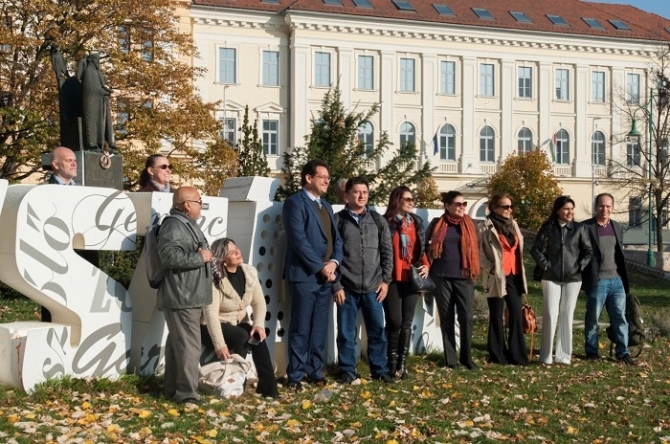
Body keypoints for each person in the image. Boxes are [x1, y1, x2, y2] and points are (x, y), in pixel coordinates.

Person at [282, 159, 343, 392]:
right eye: (322, 177)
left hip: (326, 276)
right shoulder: (294, 204)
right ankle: (295, 375)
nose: (327, 180)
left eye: (328, 177)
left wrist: (334, 263)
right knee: (301, 327)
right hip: (305, 275)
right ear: (309, 178)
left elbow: (337, 241)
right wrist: (322, 267)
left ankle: (315, 371)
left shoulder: (326, 206)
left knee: (319, 327)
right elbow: (299, 241)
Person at [333, 177, 394, 384]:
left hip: (373, 288)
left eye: (365, 193)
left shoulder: (378, 220)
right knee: (345, 333)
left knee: (377, 331)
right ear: (347, 195)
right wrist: (336, 285)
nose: (361, 196)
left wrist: (386, 281)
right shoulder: (337, 220)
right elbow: (330, 254)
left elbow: (387, 253)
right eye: (357, 192)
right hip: (346, 288)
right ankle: (348, 370)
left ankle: (380, 369)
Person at [201, 238, 279, 397]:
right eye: (232, 252)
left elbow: (259, 303)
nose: (238, 252)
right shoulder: (214, 280)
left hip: (237, 323)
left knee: (256, 335)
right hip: (209, 327)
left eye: (237, 249)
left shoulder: (249, 272)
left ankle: (268, 387)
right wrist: (220, 345)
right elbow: (210, 315)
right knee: (242, 336)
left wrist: (258, 324)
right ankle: (236, 385)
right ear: (223, 260)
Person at [157, 186, 213, 404]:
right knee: (190, 347)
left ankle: (171, 390)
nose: (202, 205)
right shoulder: (174, 225)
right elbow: (169, 257)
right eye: (199, 201)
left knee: (177, 346)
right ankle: (188, 395)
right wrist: (201, 258)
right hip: (183, 296)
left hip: (187, 294)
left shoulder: (184, 224)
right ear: (187, 204)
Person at [532, 195, 592, 365]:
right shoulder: (548, 227)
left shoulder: (580, 229)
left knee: (567, 314)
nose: (570, 212)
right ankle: (546, 356)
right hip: (550, 277)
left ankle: (564, 355)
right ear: (558, 210)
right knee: (551, 314)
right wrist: (546, 266)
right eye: (566, 208)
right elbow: (536, 249)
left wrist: (579, 267)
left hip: (573, 278)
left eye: (572, 209)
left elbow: (588, 251)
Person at [426, 191, 480, 370]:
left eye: (464, 203)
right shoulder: (437, 224)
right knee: (447, 318)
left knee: (466, 318)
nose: (462, 207)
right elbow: (426, 248)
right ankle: (451, 360)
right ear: (447, 206)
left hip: (464, 277)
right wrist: (426, 266)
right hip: (441, 277)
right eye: (458, 204)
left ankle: (467, 358)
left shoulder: (470, 225)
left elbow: (475, 250)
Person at [582, 193, 636, 365]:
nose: (604, 209)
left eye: (608, 206)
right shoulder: (585, 227)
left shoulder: (618, 228)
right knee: (593, 319)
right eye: (601, 205)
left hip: (617, 281)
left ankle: (623, 352)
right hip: (597, 281)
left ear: (612, 208)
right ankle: (592, 352)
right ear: (596, 206)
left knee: (620, 318)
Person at [382, 186, 430, 379]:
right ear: (397, 200)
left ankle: (402, 365)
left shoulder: (416, 222)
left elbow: (422, 248)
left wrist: (426, 265)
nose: (412, 202)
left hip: (411, 278)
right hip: (392, 278)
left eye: (413, 199)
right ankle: (390, 363)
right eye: (407, 199)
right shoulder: (386, 222)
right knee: (395, 321)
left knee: (407, 323)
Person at [479, 194, 528, 366]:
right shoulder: (485, 227)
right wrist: (491, 268)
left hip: (514, 276)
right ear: (494, 208)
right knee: (496, 315)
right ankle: (498, 354)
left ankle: (517, 355)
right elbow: (479, 253)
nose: (509, 210)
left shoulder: (513, 225)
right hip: (496, 277)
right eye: (505, 206)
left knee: (516, 313)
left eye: (510, 206)